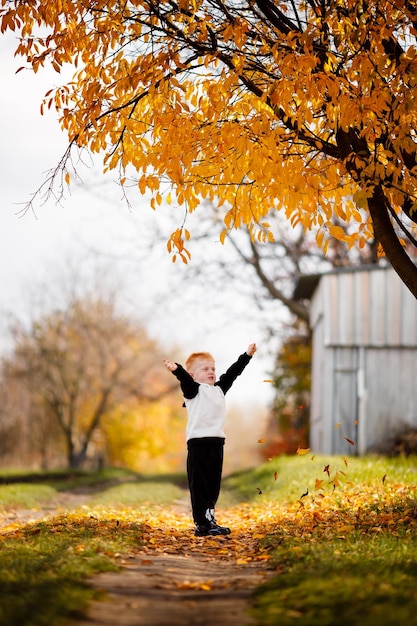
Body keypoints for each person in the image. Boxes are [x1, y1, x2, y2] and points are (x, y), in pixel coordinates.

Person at [163, 343, 257, 537]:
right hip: (198, 444)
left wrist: (247, 355)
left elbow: (233, 373)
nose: (211, 372)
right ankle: (201, 524)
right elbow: (184, 380)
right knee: (200, 485)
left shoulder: (220, 389)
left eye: (213, 368)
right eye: (205, 369)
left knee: (213, 486)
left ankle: (210, 519)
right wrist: (177, 369)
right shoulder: (193, 391)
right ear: (193, 375)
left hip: (216, 443)